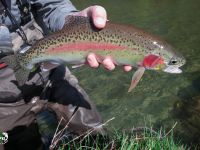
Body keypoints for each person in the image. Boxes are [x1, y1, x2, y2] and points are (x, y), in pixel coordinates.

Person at [0, 0, 132, 150]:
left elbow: (53, 4)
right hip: (4, 96)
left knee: (96, 136)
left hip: (53, 68)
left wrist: (76, 21)